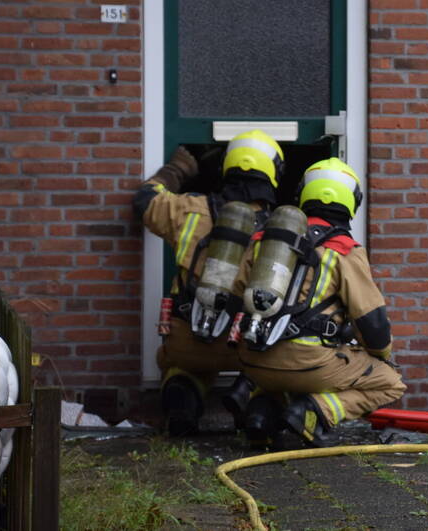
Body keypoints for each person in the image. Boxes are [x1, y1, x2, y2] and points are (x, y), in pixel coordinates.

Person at [234, 157, 406, 447]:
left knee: (280, 375)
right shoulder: (344, 250)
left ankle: (261, 413)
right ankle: (312, 413)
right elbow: (372, 324)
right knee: (391, 383)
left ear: (303, 195)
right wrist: (381, 354)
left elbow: (237, 294)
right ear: (352, 201)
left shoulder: (265, 240)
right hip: (308, 365)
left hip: (252, 360)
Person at [133, 129, 284, 436]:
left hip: (188, 338)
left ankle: (181, 406)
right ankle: (253, 404)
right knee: (282, 372)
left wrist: (177, 169)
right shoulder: (282, 232)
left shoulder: (188, 211)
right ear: (273, 174)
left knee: (184, 372)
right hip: (247, 346)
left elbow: (144, 200)